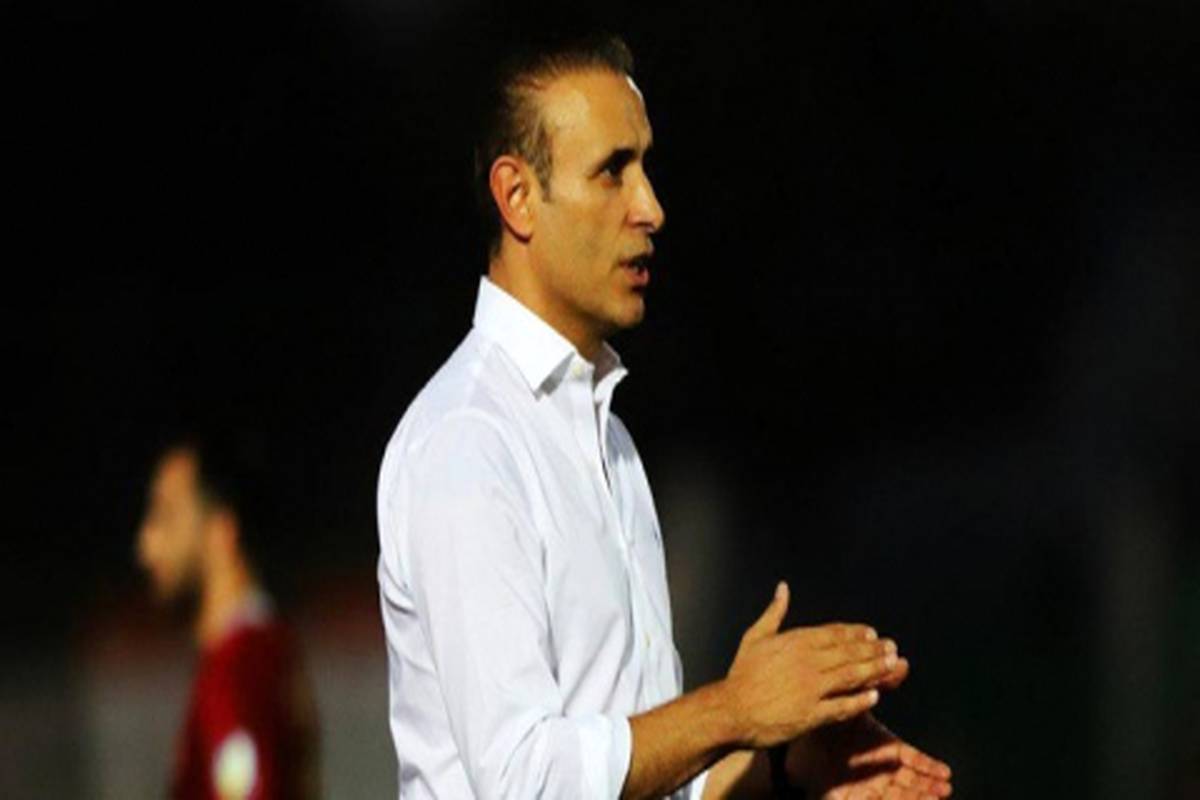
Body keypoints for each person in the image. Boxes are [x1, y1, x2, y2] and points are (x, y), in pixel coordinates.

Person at [375, 33, 953, 799]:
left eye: (645, 168)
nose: (650, 208)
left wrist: (782, 763)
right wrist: (733, 710)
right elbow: (523, 780)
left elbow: (639, 774)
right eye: (612, 171)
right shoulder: (468, 442)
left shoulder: (607, 439)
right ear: (516, 196)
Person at [137, 436, 319, 799]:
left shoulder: (237, 666)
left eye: (166, 516)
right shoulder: (266, 648)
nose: (146, 544)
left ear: (221, 531)